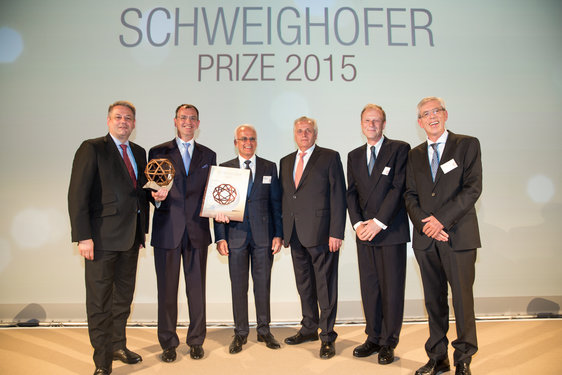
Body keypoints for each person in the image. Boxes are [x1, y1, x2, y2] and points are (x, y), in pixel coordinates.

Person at [68, 100, 149, 375]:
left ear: (134, 123)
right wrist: (83, 236)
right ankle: (102, 361)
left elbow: (139, 192)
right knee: (100, 302)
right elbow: (77, 195)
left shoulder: (139, 152)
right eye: (118, 117)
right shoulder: (92, 148)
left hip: (131, 237)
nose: (123, 122)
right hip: (100, 240)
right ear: (108, 120)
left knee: (123, 299)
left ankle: (118, 345)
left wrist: (155, 195)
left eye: (128, 118)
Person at [404, 97, 482, 375]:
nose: (432, 117)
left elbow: (472, 189)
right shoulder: (413, 155)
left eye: (436, 111)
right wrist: (427, 225)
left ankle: (463, 359)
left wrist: (442, 221)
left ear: (445, 114)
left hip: (458, 237)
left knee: (462, 300)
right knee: (433, 301)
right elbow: (410, 195)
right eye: (425, 114)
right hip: (426, 240)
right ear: (419, 122)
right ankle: (438, 357)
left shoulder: (467, 144)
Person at [148, 104, 216, 362]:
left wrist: (221, 210)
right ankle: (168, 342)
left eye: (193, 119)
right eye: (183, 118)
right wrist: (155, 196)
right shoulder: (158, 152)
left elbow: (212, 192)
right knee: (166, 291)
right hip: (167, 230)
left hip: (197, 231)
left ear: (198, 124)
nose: (188, 122)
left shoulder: (209, 155)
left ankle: (196, 340)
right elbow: (152, 187)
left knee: (197, 291)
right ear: (175, 121)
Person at [346, 104, 411, 365]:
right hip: (364, 234)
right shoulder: (353, 155)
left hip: (390, 231)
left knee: (391, 290)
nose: (371, 125)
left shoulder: (399, 149)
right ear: (361, 124)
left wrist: (378, 222)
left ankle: (388, 342)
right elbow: (351, 193)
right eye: (367, 121)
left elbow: (398, 188)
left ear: (384, 124)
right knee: (370, 288)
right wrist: (358, 224)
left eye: (376, 121)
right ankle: (373, 337)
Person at [279, 116, 347, 359]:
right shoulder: (285, 161)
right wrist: (282, 232)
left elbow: (339, 195)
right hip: (295, 234)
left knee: (325, 287)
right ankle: (309, 327)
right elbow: (286, 198)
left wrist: (336, 232)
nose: (304, 134)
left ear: (315, 135)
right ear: (294, 134)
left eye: (309, 131)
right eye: (300, 131)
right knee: (304, 284)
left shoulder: (329, 157)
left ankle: (327, 336)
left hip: (322, 235)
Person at [213, 124, 283, 354]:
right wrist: (220, 238)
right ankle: (240, 332)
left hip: (264, 237)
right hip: (235, 237)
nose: (248, 142)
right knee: (239, 287)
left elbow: (276, 205)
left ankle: (264, 330)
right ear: (235, 142)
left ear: (256, 141)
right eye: (243, 139)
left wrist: (278, 234)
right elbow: (217, 207)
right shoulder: (225, 168)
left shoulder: (269, 167)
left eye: (252, 138)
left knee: (263, 286)